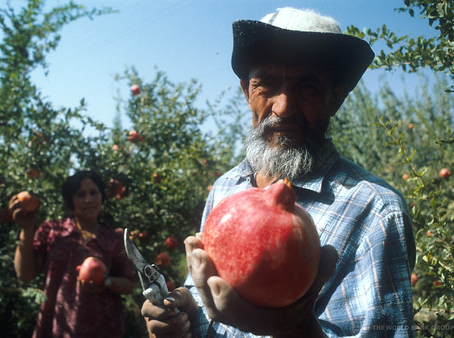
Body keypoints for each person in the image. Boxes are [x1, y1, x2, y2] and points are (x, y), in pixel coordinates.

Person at [141, 7, 416, 337]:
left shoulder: (376, 212)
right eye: (266, 84)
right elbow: (207, 300)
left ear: (335, 100)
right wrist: (183, 311)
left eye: (308, 86)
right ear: (247, 93)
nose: (283, 107)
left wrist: (293, 328)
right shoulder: (226, 189)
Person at [11, 170, 135, 337]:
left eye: (93, 192)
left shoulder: (115, 239)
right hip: (58, 326)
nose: (88, 199)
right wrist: (27, 229)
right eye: (80, 194)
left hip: (103, 328)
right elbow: (25, 274)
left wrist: (105, 281)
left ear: (102, 196)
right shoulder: (52, 231)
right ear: (70, 201)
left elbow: (129, 285)